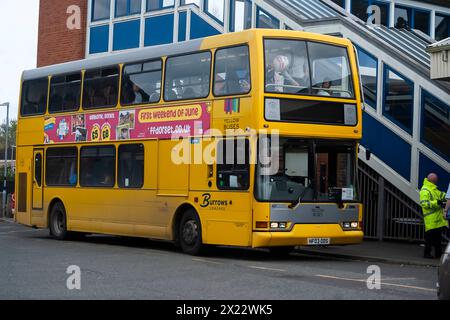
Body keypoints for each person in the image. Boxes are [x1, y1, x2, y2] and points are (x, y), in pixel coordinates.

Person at [419, 173, 448, 259]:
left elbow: (441, 195)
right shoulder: (425, 190)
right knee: (429, 239)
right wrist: (437, 203)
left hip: (436, 219)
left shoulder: (433, 189)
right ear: (433, 181)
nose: (437, 181)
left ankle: (438, 253)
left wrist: (447, 196)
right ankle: (427, 254)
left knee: (437, 238)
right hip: (431, 219)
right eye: (436, 180)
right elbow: (424, 203)